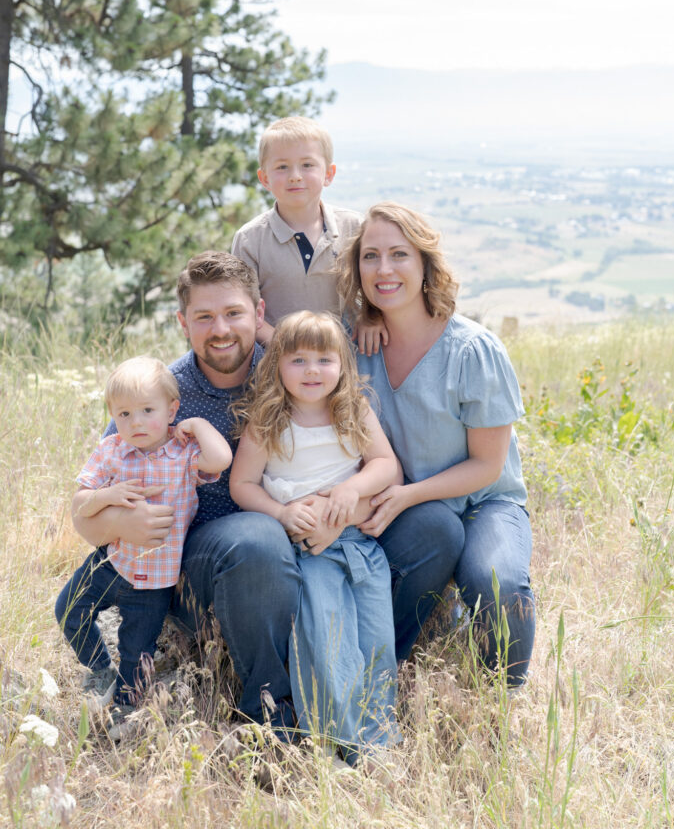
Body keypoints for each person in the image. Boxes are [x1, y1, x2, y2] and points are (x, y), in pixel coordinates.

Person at [70, 250, 461, 736]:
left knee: (436, 528)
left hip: (326, 531)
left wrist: (345, 506)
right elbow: (85, 509)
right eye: (204, 317)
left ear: (257, 314)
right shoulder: (158, 395)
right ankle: (272, 711)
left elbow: (379, 464)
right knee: (258, 538)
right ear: (182, 322)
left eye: (233, 313)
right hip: (214, 559)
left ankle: (362, 673)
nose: (221, 329)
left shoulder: (297, 366)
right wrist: (116, 523)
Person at [338, 202, 536, 687]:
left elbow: (488, 466)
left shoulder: (473, 349)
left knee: (498, 583)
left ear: (426, 264)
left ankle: (502, 696)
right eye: (370, 256)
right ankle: (376, 675)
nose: (383, 269)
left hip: (481, 503)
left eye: (400, 255)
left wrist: (408, 494)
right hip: (405, 511)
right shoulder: (350, 348)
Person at [230, 311, 401, 763]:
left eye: (324, 360)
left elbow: (387, 466)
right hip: (308, 551)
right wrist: (282, 513)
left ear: (343, 364)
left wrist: (352, 488)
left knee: (376, 640)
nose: (312, 371)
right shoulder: (268, 419)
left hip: (359, 547)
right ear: (276, 365)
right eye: (298, 360)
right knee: (327, 643)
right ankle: (337, 743)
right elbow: (242, 485)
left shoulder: (352, 410)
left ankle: (379, 739)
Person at [55, 356, 232, 726]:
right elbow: (81, 502)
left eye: (147, 411)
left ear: (172, 410)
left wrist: (198, 425)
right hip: (111, 561)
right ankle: (100, 669)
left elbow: (221, 459)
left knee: (137, 652)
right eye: (123, 414)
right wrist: (108, 495)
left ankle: (124, 710)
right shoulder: (112, 450)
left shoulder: (183, 453)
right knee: (69, 610)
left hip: (155, 578)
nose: (135, 423)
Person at [231, 115, 385, 353]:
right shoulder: (250, 239)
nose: (295, 175)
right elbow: (243, 311)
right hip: (278, 364)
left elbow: (376, 285)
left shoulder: (354, 227)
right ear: (264, 178)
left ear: (329, 174)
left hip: (347, 360)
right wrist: (289, 349)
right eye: (282, 167)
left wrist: (372, 316)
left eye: (307, 165)